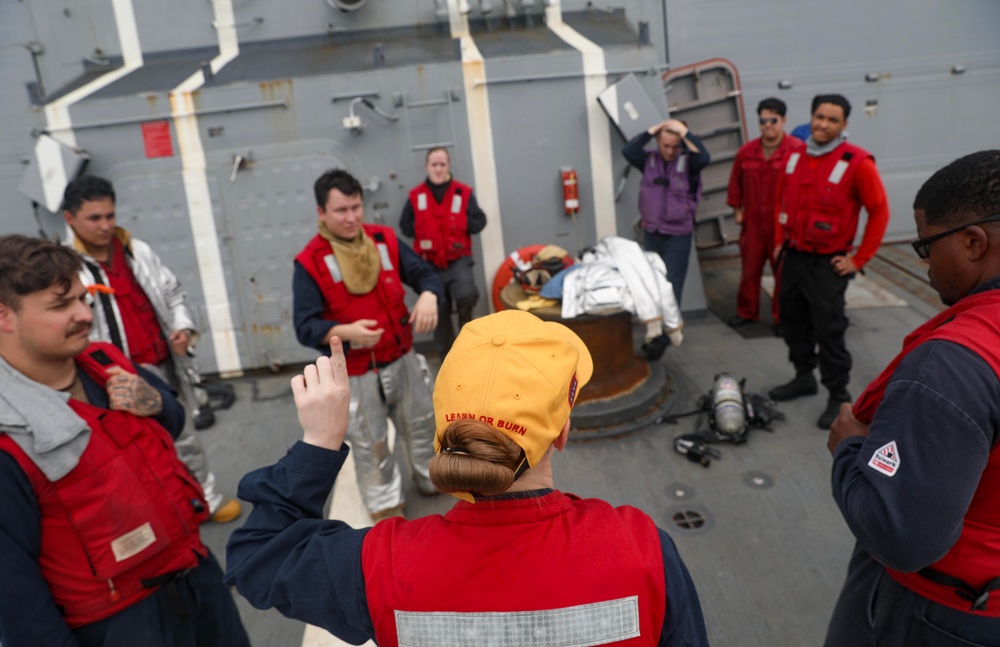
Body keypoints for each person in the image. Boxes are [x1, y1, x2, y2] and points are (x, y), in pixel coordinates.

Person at [226, 309, 710, 646]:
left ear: (445, 431)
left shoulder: (385, 566)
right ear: (562, 430)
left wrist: (320, 441)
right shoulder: (640, 549)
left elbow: (258, 556)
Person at [0, 235, 250, 647]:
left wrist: (156, 403)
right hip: (122, 623)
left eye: (85, 299)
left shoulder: (105, 362)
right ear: (5, 316)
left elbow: (172, 418)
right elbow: (15, 592)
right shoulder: (10, 438)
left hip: (195, 578)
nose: (84, 315)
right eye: (62, 305)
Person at [824, 150, 1000, 645]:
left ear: (972, 242)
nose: (923, 264)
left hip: (940, 609)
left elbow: (901, 536)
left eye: (925, 246)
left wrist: (850, 449)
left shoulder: (952, 366)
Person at [62, 175, 242, 523]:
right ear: (70, 219)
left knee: (184, 434)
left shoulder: (137, 250)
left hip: (163, 365)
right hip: (112, 374)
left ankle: (205, 497)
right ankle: (163, 511)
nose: (106, 225)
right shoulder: (67, 269)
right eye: (94, 218)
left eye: (110, 215)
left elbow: (173, 293)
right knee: (132, 448)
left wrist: (183, 328)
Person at [293, 168, 445, 521]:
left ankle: (431, 479)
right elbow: (304, 326)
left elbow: (425, 273)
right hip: (357, 372)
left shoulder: (384, 240)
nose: (351, 218)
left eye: (356, 207)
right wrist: (345, 332)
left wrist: (428, 295)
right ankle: (385, 503)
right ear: (321, 213)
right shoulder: (309, 263)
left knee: (423, 423)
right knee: (370, 442)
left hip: (402, 358)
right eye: (341, 210)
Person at [768, 94, 889, 429]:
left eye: (832, 120)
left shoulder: (857, 162)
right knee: (792, 320)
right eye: (819, 117)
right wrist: (779, 241)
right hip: (793, 257)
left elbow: (879, 210)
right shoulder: (793, 155)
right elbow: (781, 197)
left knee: (829, 329)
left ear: (844, 125)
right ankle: (803, 376)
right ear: (811, 116)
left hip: (827, 265)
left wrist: (858, 259)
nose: (823, 124)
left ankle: (838, 395)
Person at [726, 97, 805, 330]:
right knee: (749, 272)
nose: (768, 125)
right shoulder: (747, 152)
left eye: (773, 120)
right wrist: (736, 210)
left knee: (783, 274)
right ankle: (747, 312)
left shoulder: (796, 151)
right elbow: (735, 184)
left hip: (782, 225)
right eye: (763, 121)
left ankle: (783, 318)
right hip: (753, 224)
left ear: (783, 120)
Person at [399, 146, 487, 355]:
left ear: (448, 166)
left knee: (466, 294)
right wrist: (426, 232)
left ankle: (467, 332)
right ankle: (447, 357)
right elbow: (405, 225)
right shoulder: (415, 196)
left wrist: (456, 225)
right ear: (427, 167)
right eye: (434, 165)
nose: (438, 169)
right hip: (429, 263)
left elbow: (479, 221)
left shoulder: (463, 193)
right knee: (438, 311)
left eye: (442, 164)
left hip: (458, 259)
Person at [623, 117, 711, 308]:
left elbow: (705, 158)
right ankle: (657, 329)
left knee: (671, 284)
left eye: (674, 146)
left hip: (678, 234)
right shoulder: (648, 160)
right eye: (665, 145)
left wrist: (684, 132)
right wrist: (652, 130)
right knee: (652, 282)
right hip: (652, 232)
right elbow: (628, 151)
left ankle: (668, 332)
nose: (670, 151)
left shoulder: (690, 163)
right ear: (658, 141)